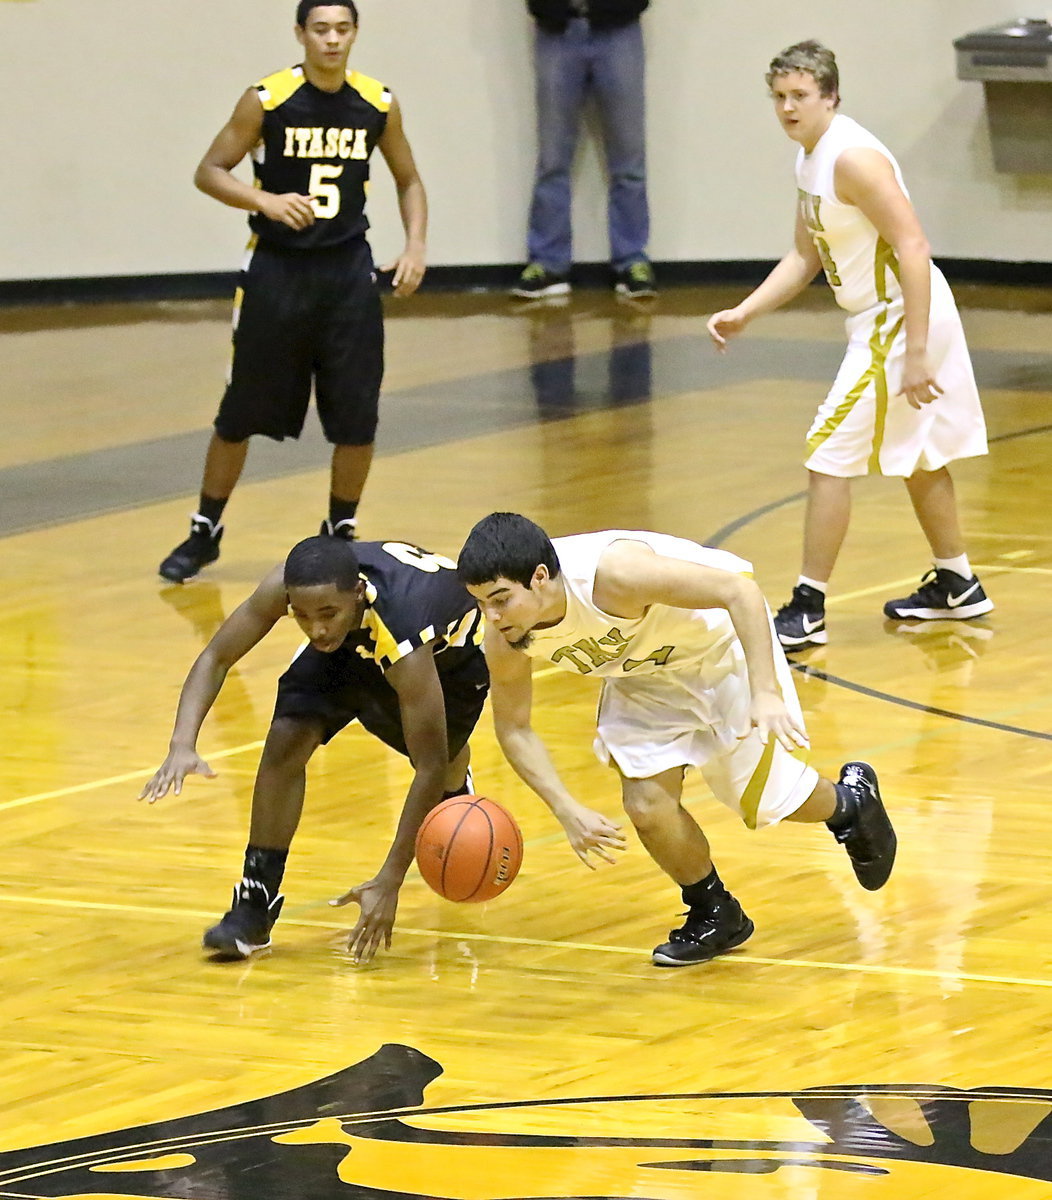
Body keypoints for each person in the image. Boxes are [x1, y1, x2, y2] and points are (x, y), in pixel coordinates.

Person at [457, 512, 896, 968]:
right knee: (647, 806)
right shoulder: (506, 636)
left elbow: (738, 591)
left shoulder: (615, 575)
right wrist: (567, 809)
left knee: (761, 800)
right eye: (480, 603)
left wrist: (765, 691)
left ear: (541, 578)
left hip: (720, 647)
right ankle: (715, 912)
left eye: (500, 600)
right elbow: (513, 727)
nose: (490, 616)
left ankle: (850, 803)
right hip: (643, 675)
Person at [707, 41, 992, 651]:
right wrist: (746, 312)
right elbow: (804, 254)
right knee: (918, 454)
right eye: (779, 97)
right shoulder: (809, 158)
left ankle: (807, 606)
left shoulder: (853, 158)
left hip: (899, 317)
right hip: (879, 320)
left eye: (800, 96)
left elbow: (913, 247)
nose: (788, 108)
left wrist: (915, 352)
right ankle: (958, 583)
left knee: (828, 453)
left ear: (830, 97)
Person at [159, 2, 427, 584]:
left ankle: (341, 531)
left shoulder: (378, 103)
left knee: (357, 415)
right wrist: (265, 201)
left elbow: (408, 179)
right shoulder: (268, 98)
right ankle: (205, 529)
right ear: (301, 34)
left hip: (347, 274)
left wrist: (414, 247)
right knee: (239, 412)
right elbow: (210, 170)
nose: (332, 40)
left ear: (355, 34)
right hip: (276, 273)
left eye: (343, 29)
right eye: (321, 29)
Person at [141, 536, 487, 963]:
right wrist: (182, 743)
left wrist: (389, 880)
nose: (316, 628)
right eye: (302, 616)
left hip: (444, 664)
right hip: (352, 647)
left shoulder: (403, 626)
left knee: (437, 761)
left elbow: (427, 768)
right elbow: (216, 657)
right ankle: (254, 901)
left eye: (327, 614)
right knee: (285, 743)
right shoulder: (294, 591)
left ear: (358, 592)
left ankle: (460, 776)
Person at [511, 0, 657, 300]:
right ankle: (548, 263)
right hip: (557, 29)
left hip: (620, 28)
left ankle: (632, 260)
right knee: (552, 158)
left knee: (628, 158)